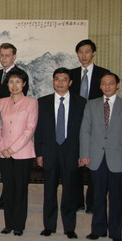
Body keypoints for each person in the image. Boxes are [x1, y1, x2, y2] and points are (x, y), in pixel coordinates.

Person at [35, 68, 86, 239]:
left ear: (70, 82)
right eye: (57, 79)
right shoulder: (42, 102)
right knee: (49, 191)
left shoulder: (81, 103)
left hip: (72, 152)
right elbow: (39, 130)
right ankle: (49, 226)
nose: (60, 82)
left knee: (70, 191)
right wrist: (39, 153)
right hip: (49, 152)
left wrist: (82, 153)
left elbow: (85, 132)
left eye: (64, 79)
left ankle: (69, 227)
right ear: (53, 81)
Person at [80, 72, 122, 241]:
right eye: (103, 83)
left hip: (118, 159)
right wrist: (84, 154)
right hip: (96, 158)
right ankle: (97, 230)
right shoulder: (91, 104)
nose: (107, 86)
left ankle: (115, 231)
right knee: (97, 197)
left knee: (116, 198)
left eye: (110, 83)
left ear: (117, 85)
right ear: (99, 86)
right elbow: (85, 131)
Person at [0, 69, 38, 236]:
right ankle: (8, 224)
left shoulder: (32, 103)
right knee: (8, 188)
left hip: (22, 154)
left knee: (21, 189)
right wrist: (1, 147)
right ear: (7, 84)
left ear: (24, 84)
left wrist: (12, 149)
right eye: (11, 82)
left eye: (18, 82)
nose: (14, 85)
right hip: (3, 152)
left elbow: (30, 129)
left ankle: (19, 225)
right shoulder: (1, 102)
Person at [70, 39, 109, 214]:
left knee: (95, 165)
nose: (83, 55)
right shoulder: (70, 74)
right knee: (75, 164)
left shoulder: (104, 74)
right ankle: (77, 201)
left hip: (97, 127)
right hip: (75, 126)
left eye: (87, 51)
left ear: (93, 53)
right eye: (80, 52)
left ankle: (92, 202)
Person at [0, 42, 29, 210]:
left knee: (13, 171)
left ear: (14, 57)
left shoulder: (20, 75)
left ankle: (9, 200)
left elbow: (20, 102)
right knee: (6, 170)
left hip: (14, 128)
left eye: (7, 55)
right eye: (1, 55)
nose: (3, 58)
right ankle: (5, 197)